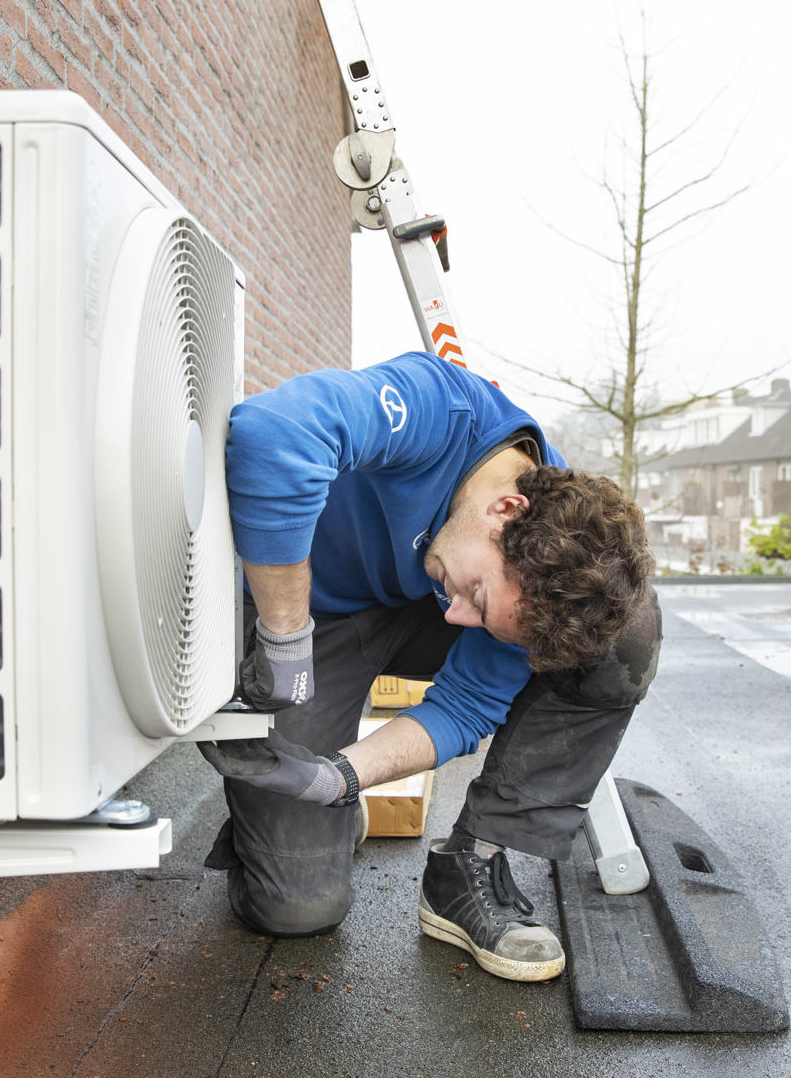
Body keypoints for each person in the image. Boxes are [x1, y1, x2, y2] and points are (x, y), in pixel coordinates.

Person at [198, 350, 660, 982]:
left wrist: (339, 778)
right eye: (478, 595)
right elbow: (273, 432)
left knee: (623, 634)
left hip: (403, 603)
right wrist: (283, 637)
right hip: (308, 608)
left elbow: (466, 704)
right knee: (296, 909)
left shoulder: (535, 583)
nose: (458, 620)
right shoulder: (442, 411)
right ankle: (296, 833)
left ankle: (469, 865)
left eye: (483, 614)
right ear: (508, 510)